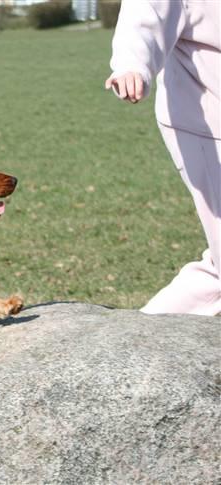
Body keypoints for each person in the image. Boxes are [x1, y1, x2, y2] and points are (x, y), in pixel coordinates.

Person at [105, 0, 220, 316]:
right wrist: (131, 65)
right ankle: (132, 343)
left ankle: (133, 338)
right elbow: (145, 14)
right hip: (205, 124)